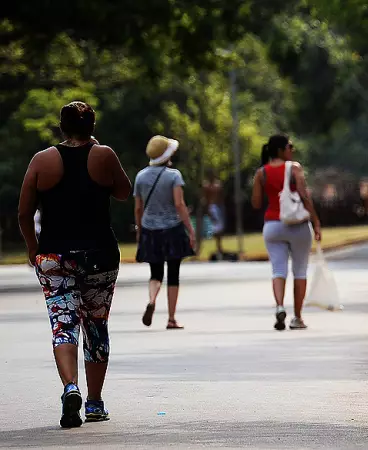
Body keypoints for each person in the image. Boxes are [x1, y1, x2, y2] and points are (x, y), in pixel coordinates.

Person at [17, 101, 132, 428]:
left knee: (63, 324)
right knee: (95, 325)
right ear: (92, 127)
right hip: (99, 256)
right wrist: (98, 150)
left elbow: (24, 212)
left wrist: (32, 249)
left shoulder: (42, 160)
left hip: (55, 257)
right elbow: (123, 192)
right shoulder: (104, 155)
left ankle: (71, 387)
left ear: (62, 126)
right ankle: (94, 403)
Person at [251, 134, 321, 331]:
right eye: (290, 146)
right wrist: (316, 221)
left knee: (278, 270)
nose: (293, 150)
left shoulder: (261, 173)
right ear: (281, 150)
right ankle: (297, 317)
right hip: (298, 225)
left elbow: (256, 203)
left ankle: (280, 306)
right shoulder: (294, 168)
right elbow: (304, 195)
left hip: (273, 225)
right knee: (299, 270)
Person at [134, 135, 196, 330]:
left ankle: (152, 299)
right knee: (174, 273)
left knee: (155, 273)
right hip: (172, 229)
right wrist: (190, 229)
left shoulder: (141, 176)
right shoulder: (174, 175)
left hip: (150, 229)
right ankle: (171, 318)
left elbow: (138, 207)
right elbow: (179, 204)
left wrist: (139, 228)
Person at [202, 170, 226, 257]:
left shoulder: (218, 184)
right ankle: (218, 247)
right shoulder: (206, 185)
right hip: (212, 207)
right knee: (215, 228)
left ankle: (220, 247)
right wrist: (208, 210)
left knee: (220, 228)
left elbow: (221, 196)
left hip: (219, 207)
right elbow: (205, 198)